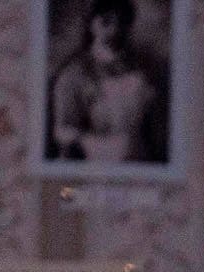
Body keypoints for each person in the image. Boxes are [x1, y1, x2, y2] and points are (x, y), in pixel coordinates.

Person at [47, 0, 165, 164]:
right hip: (94, 163)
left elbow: (155, 130)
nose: (114, 30)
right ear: (91, 23)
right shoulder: (73, 75)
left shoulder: (144, 72)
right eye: (106, 21)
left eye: (121, 22)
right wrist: (99, 146)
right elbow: (62, 131)